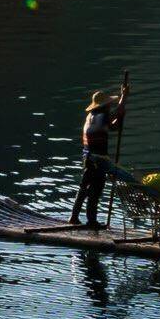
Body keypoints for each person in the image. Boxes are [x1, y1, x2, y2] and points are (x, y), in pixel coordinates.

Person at [70, 88, 116, 230]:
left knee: (84, 187)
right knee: (96, 188)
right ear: (104, 106)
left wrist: (121, 107)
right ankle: (91, 221)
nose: (110, 106)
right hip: (98, 159)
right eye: (108, 104)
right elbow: (115, 124)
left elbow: (113, 125)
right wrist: (123, 101)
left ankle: (74, 216)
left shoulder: (91, 116)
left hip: (87, 157)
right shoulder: (103, 115)